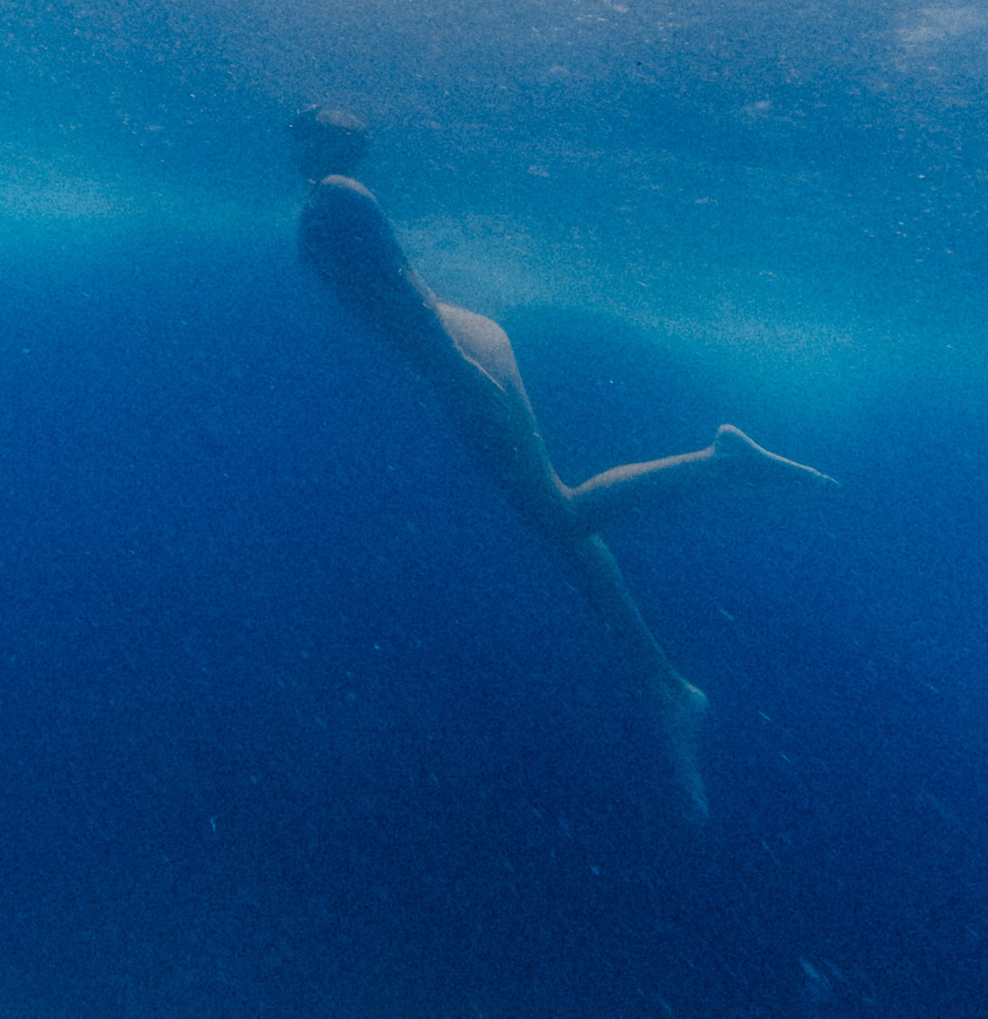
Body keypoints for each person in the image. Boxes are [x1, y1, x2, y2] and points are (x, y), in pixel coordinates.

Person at [290, 107, 834, 823]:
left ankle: (720, 461)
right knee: (563, 529)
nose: (294, 134)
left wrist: (459, 377)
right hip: (454, 354)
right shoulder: (329, 194)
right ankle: (668, 686)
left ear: (328, 141)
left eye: (305, 127)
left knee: (560, 512)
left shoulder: (337, 195)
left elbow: (404, 294)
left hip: (456, 357)